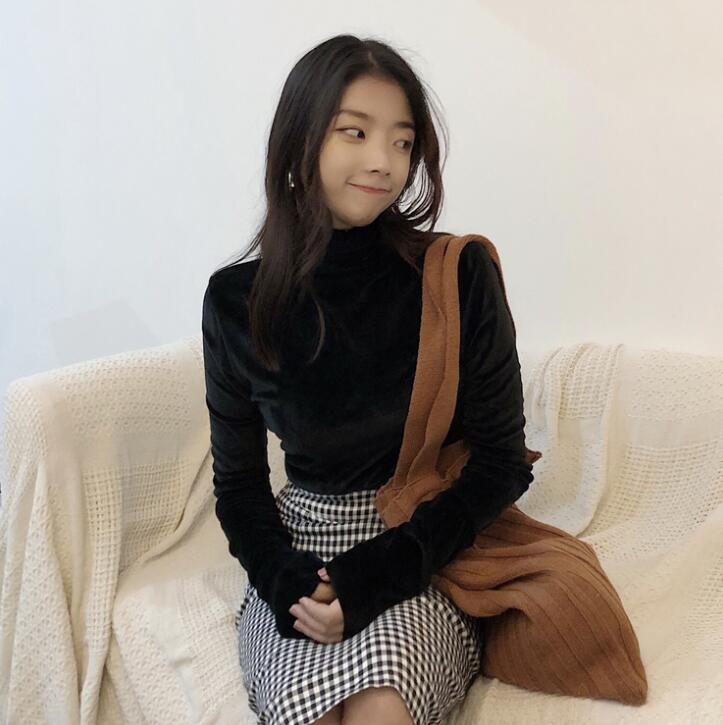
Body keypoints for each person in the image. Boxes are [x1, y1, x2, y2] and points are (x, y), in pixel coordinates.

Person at [201, 34, 534, 725]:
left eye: (402, 142)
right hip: (300, 547)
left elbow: (500, 462)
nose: (383, 161)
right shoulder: (236, 300)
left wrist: (378, 576)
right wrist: (284, 579)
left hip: (423, 544)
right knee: (306, 713)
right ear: (299, 139)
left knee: (381, 706)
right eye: (355, 132)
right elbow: (238, 485)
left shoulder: (456, 275)